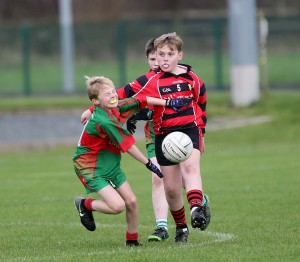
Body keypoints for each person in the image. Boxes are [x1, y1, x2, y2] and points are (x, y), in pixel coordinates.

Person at [73, 76, 191, 246]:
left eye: (114, 91)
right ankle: (85, 204)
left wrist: (168, 103)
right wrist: (149, 164)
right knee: (117, 206)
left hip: (110, 163)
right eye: (107, 94)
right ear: (96, 101)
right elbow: (128, 146)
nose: (113, 95)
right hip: (90, 167)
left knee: (132, 202)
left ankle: (132, 241)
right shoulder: (104, 120)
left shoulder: (117, 106)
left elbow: (140, 99)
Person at [126, 32, 210, 243]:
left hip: (190, 130)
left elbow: (201, 101)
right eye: (160, 54)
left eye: (169, 54)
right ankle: (181, 227)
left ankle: (197, 210)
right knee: (171, 189)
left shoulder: (192, 79)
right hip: (163, 135)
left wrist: (202, 132)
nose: (164, 58)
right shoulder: (151, 80)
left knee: (190, 168)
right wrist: (93, 107)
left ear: (179, 55)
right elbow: (123, 93)